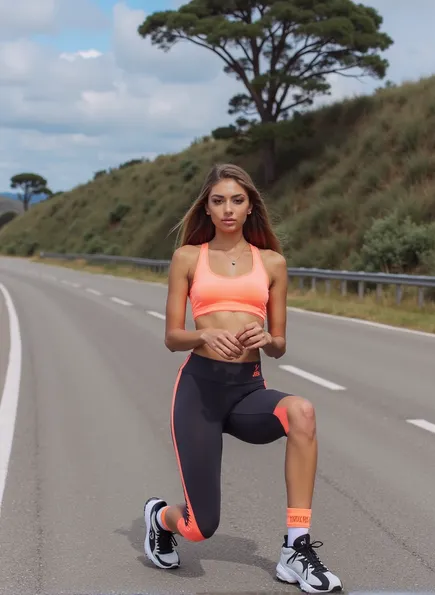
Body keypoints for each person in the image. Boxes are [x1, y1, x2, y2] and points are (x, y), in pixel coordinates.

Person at [143, 163, 343, 593]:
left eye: (237, 200)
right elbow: (172, 337)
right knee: (200, 527)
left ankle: (296, 547)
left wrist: (269, 337)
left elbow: (280, 344)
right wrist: (204, 333)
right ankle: (159, 518)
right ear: (208, 209)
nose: (228, 209)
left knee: (302, 413)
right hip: (199, 390)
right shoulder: (188, 257)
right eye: (218, 201)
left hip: (248, 389)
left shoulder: (272, 263)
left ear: (251, 207)